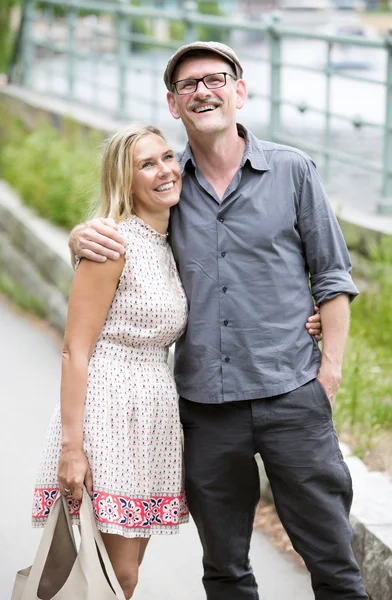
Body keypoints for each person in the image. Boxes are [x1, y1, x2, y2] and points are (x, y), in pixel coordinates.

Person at [68, 42, 367, 599]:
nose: (203, 90)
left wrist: (329, 375)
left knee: (334, 564)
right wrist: (78, 237)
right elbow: (119, 235)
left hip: (292, 393)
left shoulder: (293, 171)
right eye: (189, 85)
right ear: (174, 104)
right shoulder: (165, 183)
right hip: (206, 408)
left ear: (239, 90)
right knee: (225, 569)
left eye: (215, 78)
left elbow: (332, 277)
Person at [32, 125, 190, 600]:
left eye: (167, 156)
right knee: (114, 577)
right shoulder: (111, 244)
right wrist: (71, 448)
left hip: (153, 417)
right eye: (147, 164)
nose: (164, 170)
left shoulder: (171, 242)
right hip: (110, 413)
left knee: (122, 576)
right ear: (125, 179)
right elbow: (74, 350)